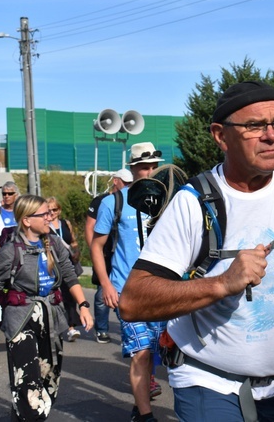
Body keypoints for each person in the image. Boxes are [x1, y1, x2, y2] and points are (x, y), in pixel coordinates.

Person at [119, 80, 274, 421]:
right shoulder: (193, 203)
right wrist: (221, 283)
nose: (272, 135)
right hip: (208, 381)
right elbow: (132, 301)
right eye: (255, 126)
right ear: (220, 136)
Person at [0, 194, 93, 421]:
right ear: (27, 220)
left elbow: (70, 276)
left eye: (50, 213)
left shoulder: (53, 243)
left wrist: (83, 305)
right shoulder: (9, 252)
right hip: (21, 320)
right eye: (43, 214)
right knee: (27, 382)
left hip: (51, 317)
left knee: (48, 380)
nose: (49, 217)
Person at [91, 144, 164, 422]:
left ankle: (139, 404)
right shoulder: (114, 202)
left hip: (161, 290)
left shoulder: (168, 200)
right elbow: (97, 246)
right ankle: (145, 416)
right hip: (127, 290)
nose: (150, 171)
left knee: (158, 351)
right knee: (141, 352)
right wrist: (107, 285)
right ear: (132, 168)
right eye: (144, 166)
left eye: (154, 166)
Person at [85, 169, 132, 344]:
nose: (127, 186)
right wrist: (95, 252)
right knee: (101, 294)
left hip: (119, 253)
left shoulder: (133, 200)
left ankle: (126, 327)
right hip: (104, 254)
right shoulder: (101, 201)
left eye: (129, 183)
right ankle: (102, 329)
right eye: (124, 182)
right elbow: (90, 227)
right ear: (115, 181)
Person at [46, 196, 82, 342]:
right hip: (53, 264)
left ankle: (71, 327)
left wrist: (76, 251)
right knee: (54, 295)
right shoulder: (44, 225)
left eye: (54, 209)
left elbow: (72, 241)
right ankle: (54, 326)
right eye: (48, 210)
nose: (51, 212)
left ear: (59, 210)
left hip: (68, 263)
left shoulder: (65, 223)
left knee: (70, 295)